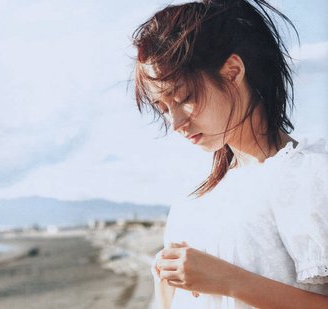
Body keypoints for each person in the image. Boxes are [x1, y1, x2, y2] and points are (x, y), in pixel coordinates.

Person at [131, 0, 328, 308]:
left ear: (233, 71)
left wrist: (230, 281)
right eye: (163, 108)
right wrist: (165, 283)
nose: (176, 123)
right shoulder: (192, 203)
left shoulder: (311, 175)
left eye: (184, 98)